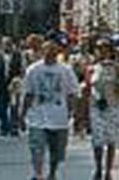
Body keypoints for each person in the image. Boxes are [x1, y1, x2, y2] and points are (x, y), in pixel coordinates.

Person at [21, 39, 77, 180]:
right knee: (36, 147)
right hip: (38, 116)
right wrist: (22, 114)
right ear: (42, 51)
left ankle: (52, 173)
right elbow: (28, 93)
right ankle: (38, 173)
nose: (50, 53)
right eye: (47, 50)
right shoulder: (33, 70)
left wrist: (72, 113)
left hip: (59, 117)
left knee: (56, 150)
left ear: (58, 53)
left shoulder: (66, 70)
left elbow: (71, 93)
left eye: (53, 51)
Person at [87, 39, 119, 180]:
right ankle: (98, 168)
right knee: (97, 139)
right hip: (96, 106)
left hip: (113, 105)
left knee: (111, 140)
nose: (102, 51)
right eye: (99, 48)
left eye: (105, 48)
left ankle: (108, 171)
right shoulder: (92, 67)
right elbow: (87, 87)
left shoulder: (116, 66)